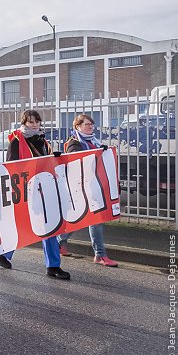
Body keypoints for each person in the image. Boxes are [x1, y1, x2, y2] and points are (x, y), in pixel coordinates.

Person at [0, 110, 71, 280]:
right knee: (22, 223)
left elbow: (46, 161)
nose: (35, 124)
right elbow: (11, 168)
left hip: (44, 187)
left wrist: (54, 157)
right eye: (30, 122)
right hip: (26, 190)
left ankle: (53, 266)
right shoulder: (16, 141)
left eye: (37, 121)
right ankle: (4, 253)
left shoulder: (42, 140)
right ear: (24, 123)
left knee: (48, 225)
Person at [57, 114, 118, 267]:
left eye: (92, 124)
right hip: (82, 187)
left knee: (82, 220)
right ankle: (100, 255)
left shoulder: (93, 141)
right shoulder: (74, 143)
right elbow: (75, 162)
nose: (90, 127)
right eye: (87, 124)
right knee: (95, 220)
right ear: (77, 126)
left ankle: (59, 243)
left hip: (94, 186)